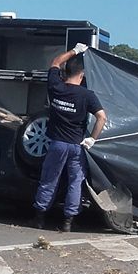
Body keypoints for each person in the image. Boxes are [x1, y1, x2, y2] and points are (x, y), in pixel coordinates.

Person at [33, 43, 107, 232]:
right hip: (76, 146)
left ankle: (40, 218)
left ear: (65, 73)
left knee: (50, 179)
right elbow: (102, 117)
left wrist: (75, 50)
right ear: (82, 76)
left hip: (57, 144)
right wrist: (92, 138)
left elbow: (56, 61)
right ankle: (67, 222)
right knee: (75, 182)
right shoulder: (87, 95)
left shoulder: (56, 86)